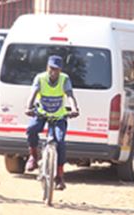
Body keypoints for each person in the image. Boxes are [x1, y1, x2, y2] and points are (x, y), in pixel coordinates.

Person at [24, 56, 81, 191]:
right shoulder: (40, 78)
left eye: (56, 69)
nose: (53, 72)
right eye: (51, 68)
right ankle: (33, 155)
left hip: (59, 115)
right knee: (31, 129)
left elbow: (70, 95)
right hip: (41, 113)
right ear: (47, 67)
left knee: (60, 141)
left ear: (60, 70)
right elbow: (33, 94)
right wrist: (28, 107)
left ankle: (60, 176)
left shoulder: (64, 79)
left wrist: (74, 109)